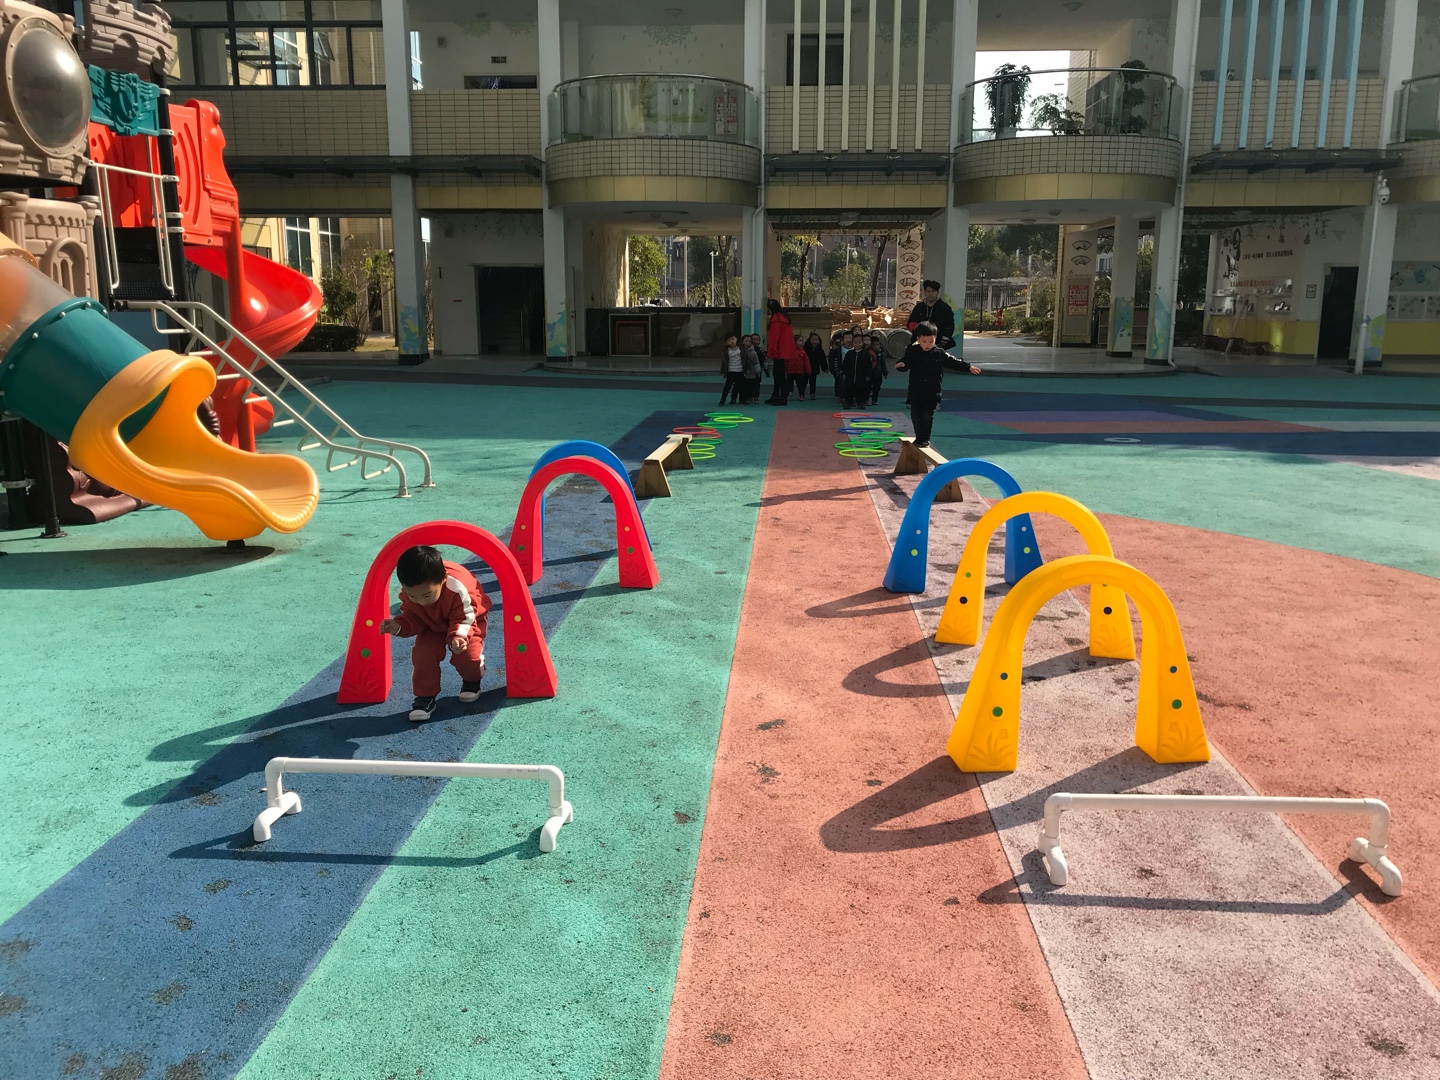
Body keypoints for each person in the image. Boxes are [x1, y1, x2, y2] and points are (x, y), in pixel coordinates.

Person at [380, 545, 493, 721]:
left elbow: (465, 617)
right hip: (432, 624)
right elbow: (413, 617)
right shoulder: (412, 592)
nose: (420, 601)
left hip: (466, 622)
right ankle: (425, 697)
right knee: (423, 654)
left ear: (443, 580)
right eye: (413, 596)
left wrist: (459, 636)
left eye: (427, 595)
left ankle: (472, 680)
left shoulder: (457, 588)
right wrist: (399, 626)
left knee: (466, 654)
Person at [892, 320, 982, 448]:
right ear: (918, 339)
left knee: (927, 415)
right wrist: (901, 365)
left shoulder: (939, 353)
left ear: (935, 339)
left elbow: (953, 362)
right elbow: (906, 362)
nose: (927, 345)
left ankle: (925, 439)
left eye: (931, 341)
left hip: (933, 392)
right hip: (916, 391)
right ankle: (919, 438)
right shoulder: (912, 351)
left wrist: (968, 367)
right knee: (916, 416)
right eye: (924, 341)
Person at [765, 299, 804, 405]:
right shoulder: (784, 318)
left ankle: (782, 396)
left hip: (779, 351)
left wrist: (771, 351)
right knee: (779, 373)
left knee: (779, 374)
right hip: (785, 350)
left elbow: (774, 337)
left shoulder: (776, 320)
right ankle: (778, 395)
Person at [907, 280, 957, 349]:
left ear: (937, 292)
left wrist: (943, 342)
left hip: (939, 344)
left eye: (933, 291)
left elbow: (950, 325)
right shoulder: (918, 308)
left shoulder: (945, 308)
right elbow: (911, 323)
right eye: (928, 291)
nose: (931, 293)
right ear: (925, 292)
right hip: (919, 344)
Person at [719, 331, 747, 405]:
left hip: (740, 370)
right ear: (726, 343)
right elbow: (724, 362)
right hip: (731, 371)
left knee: (741, 386)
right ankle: (722, 400)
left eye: (733, 339)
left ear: (736, 339)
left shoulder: (741, 349)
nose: (732, 341)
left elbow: (746, 359)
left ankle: (742, 400)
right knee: (727, 386)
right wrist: (723, 372)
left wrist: (747, 369)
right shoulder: (727, 351)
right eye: (729, 340)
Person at [828, 330, 854, 400]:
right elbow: (834, 358)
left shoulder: (854, 349)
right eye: (846, 338)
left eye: (850, 338)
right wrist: (834, 368)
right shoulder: (839, 349)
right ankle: (841, 396)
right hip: (841, 369)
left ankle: (851, 397)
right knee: (840, 383)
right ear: (843, 340)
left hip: (852, 369)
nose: (848, 340)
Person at [803, 332, 827, 400]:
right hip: (805, 369)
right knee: (804, 382)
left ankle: (812, 393)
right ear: (809, 340)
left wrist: (824, 368)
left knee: (813, 382)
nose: (815, 341)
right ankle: (802, 393)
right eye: (813, 340)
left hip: (814, 369)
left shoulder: (820, 350)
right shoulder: (805, 349)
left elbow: (823, 360)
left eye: (816, 340)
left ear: (819, 341)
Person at [868, 337, 889, 406]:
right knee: (868, 387)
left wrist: (885, 372)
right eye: (874, 345)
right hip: (870, 373)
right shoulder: (868, 353)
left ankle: (874, 400)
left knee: (877, 387)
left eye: (878, 345)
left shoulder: (880, 354)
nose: (876, 347)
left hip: (878, 373)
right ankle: (867, 399)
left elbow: (883, 363)